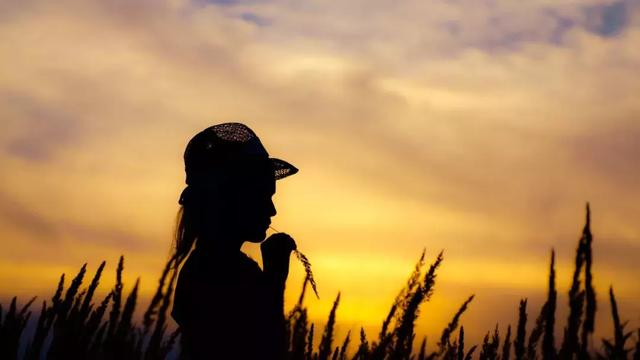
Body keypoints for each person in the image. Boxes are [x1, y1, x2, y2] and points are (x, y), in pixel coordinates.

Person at [170, 123, 299, 359]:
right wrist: (275, 280)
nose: (272, 210)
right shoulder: (217, 272)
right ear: (229, 198)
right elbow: (263, 348)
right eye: (262, 197)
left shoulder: (208, 266)